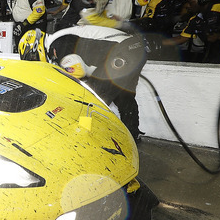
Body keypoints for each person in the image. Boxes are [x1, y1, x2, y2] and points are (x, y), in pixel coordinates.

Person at [18, 26, 146, 142]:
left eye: (33, 58)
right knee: (124, 98)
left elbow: (77, 71)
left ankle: (85, 139)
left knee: (92, 98)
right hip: (134, 48)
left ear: (36, 47)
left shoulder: (57, 43)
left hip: (122, 50)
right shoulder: (61, 37)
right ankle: (132, 137)